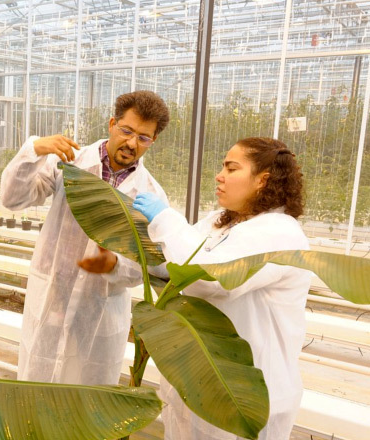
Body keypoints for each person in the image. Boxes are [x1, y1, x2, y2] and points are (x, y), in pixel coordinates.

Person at [132, 137, 309, 439]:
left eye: (232, 168)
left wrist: (166, 218)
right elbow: (176, 264)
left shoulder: (279, 232)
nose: (220, 175)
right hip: (201, 377)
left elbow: (211, 280)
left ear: (262, 181)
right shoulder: (220, 222)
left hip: (245, 391)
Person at [0, 90, 170, 385]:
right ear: (112, 123)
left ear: (152, 141)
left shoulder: (150, 194)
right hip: (52, 294)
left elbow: (153, 263)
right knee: (38, 384)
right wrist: (34, 150)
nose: (131, 143)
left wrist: (116, 264)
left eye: (143, 138)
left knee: (88, 396)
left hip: (100, 307)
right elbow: (13, 199)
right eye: (126, 130)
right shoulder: (69, 163)